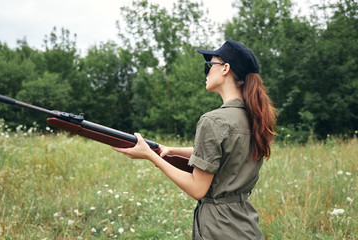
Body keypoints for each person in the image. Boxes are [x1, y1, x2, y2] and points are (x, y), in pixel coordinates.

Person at [113, 40, 277, 240]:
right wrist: (170, 150)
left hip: (219, 228)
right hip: (246, 226)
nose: (207, 72)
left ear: (225, 68)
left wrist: (150, 156)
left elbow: (197, 188)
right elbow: (224, 156)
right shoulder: (255, 118)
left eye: (209, 65)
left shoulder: (213, 121)